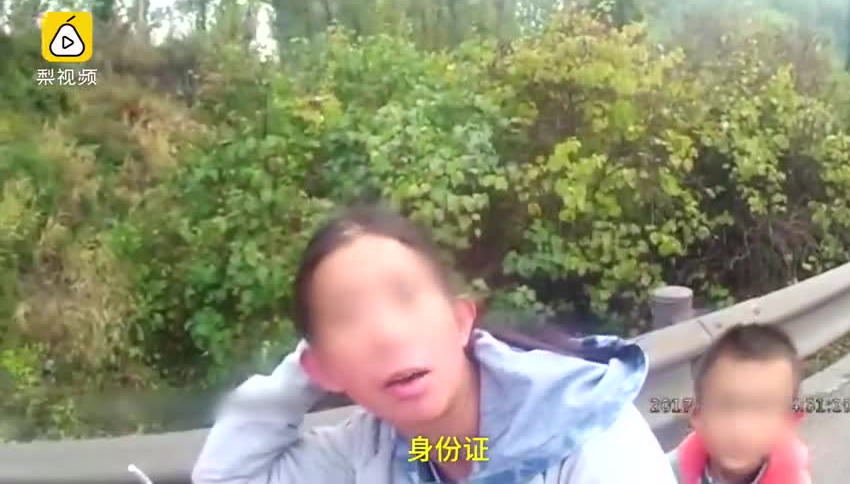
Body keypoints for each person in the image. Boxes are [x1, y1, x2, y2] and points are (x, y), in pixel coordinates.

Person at [192, 204, 676, 483]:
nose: (387, 335)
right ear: (322, 370)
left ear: (461, 322)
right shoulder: (377, 449)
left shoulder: (582, 425)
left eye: (406, 297)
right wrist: (306, 370)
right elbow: (228, 477)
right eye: (348, 317)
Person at [667, 323, 811, 484]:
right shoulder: (664, 472)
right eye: (726, 407)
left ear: (789, 421)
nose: (741, 430)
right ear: (697, 414)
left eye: (762, 410)